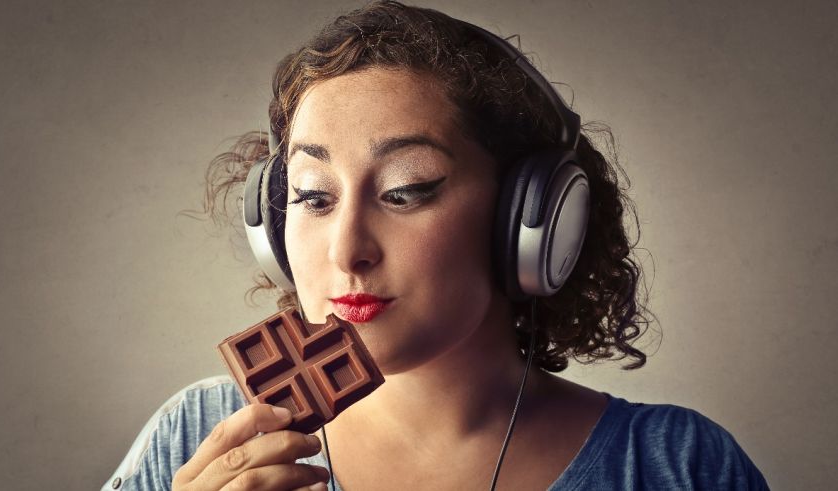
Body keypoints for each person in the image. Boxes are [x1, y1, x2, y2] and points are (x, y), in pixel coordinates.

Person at [104, 1, 769, 490]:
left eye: (406, 189)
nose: (347, 249)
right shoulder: (196, 438)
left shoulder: (679, 466)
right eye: (312, 195)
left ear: (530, 220)